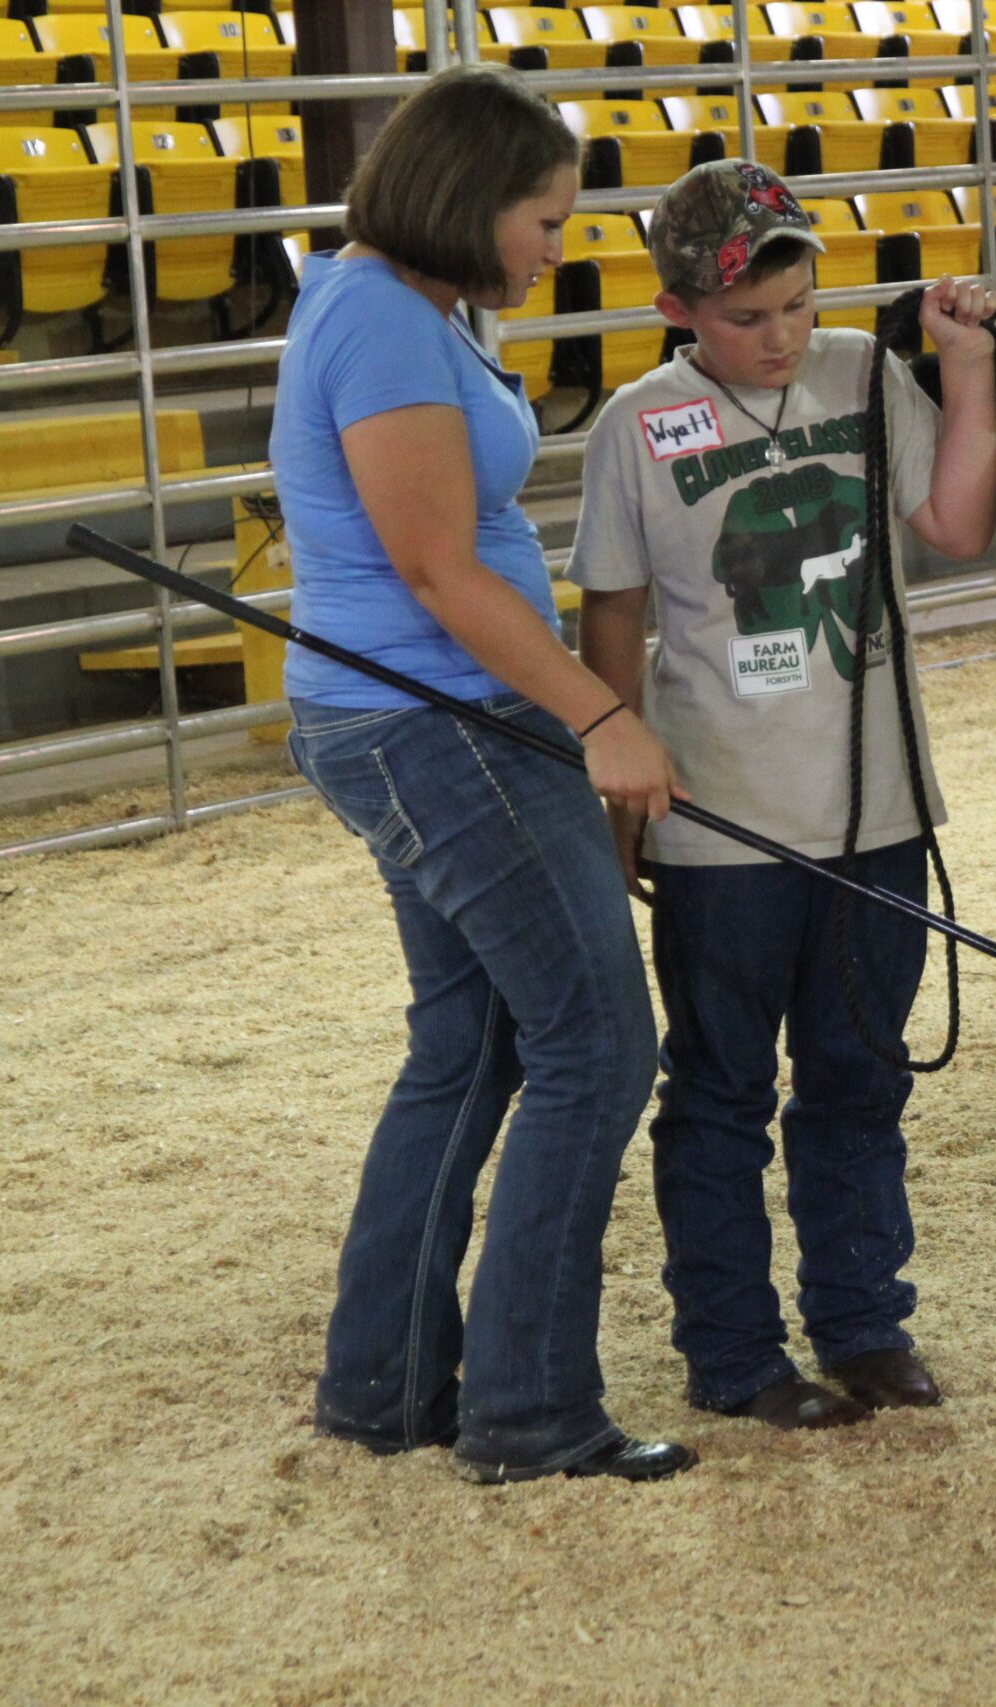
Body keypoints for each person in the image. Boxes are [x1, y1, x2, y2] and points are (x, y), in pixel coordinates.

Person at [271, 64, 694, 1484]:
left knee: (473, 1040)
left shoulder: (402, 305)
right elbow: (438, 566)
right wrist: (601, 716)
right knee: (594, 1039)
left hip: (415, 716)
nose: (554, 247)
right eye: (546, 219)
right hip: (436, 721)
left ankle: (387, 1381)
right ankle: (528, 1407)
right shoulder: (387, 323)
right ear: (470, 201)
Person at [568, 159, 996, 1431]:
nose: (780, 338)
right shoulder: (637, 427)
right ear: (676, 310)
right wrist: (616, 779)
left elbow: (957, 525)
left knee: (860, 1079)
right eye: (747, 318)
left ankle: (864, 1324)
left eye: (798, 308)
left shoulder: (867, 374)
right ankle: (732, 1350)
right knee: (718, 1097)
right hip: (720, 821)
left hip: (878, 811)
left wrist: (963, 368)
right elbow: (615, 606)